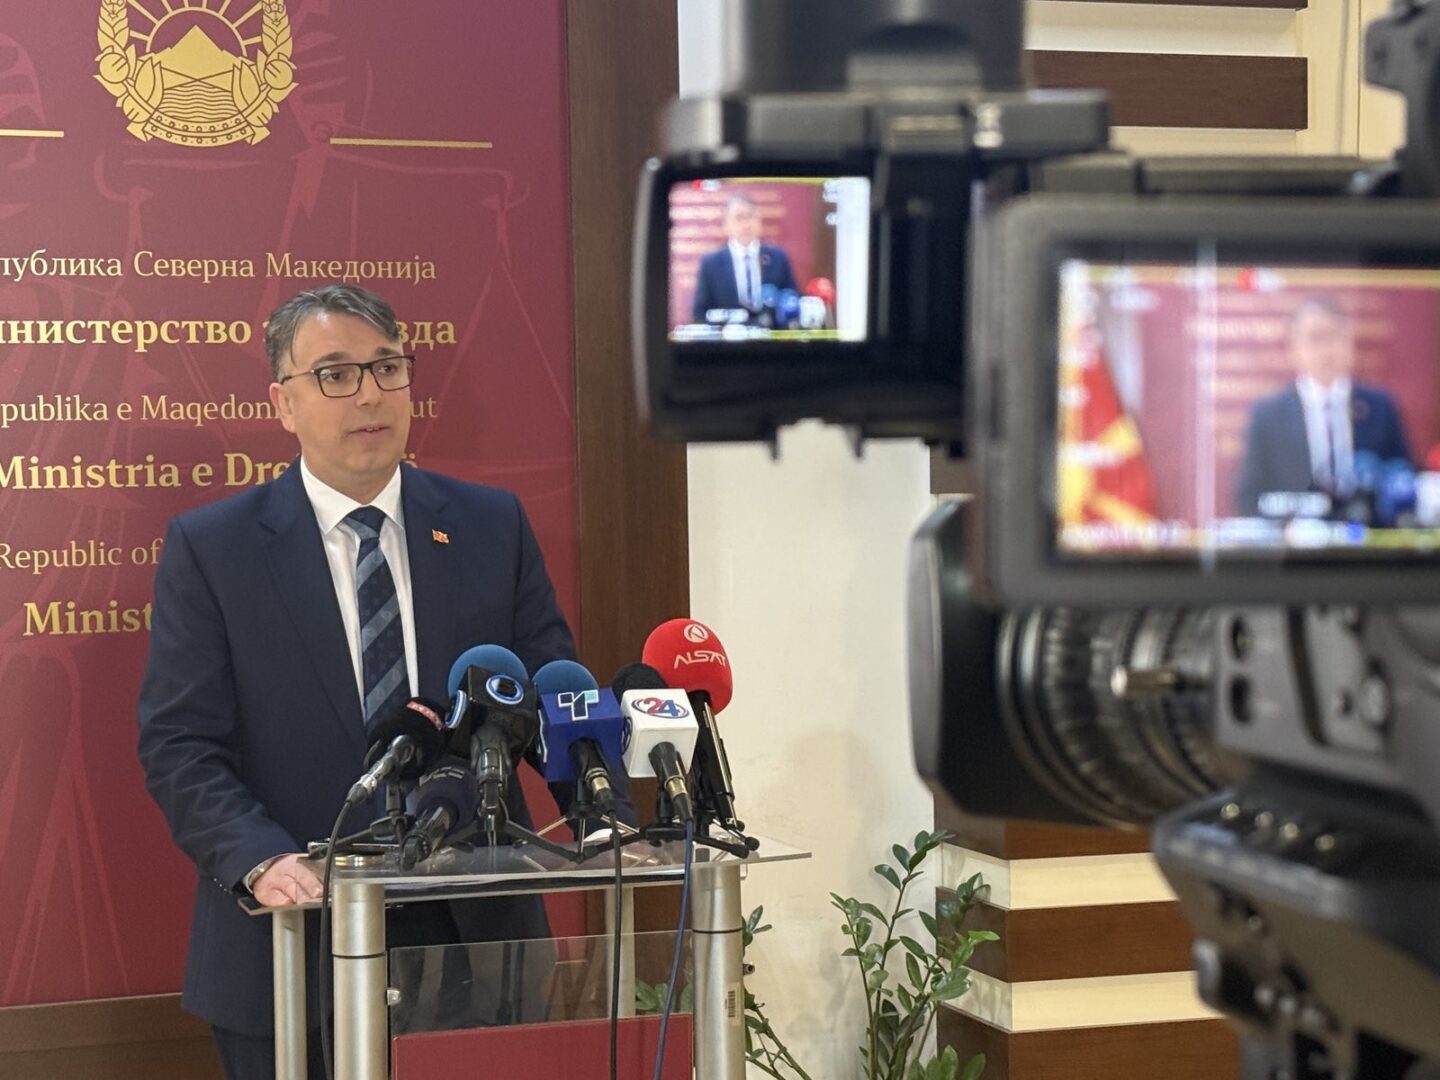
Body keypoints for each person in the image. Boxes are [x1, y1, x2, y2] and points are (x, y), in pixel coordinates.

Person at [137, 285, 582, 1078]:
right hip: (291, 944)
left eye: (387, 367)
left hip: (476, 947)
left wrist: (604, 815)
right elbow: (180, 745)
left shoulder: (492, 526)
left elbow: (551, 699)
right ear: (283, 402)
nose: (370, 394)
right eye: (336, 374)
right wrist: (261, 859)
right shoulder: (215, 549)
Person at [1235, 296, 1413, 517]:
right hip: (1295, 534)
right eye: (1315, 338)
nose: (1327, 350)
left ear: (1350, 343)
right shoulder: (1268, 414)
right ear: (1294, 348)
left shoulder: (1380, 406)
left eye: (1336, 337)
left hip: (1364, 533)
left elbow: (1403, 479)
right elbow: (1249, 497)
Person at [690, 190, 798, 324]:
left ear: (759, 221)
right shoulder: (710, 263)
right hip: (727, 335)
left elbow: (792, 301)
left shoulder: (778, 258)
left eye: (751, 216)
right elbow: (699, 313)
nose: (746, 224)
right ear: (726, 224)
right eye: (739, 217)